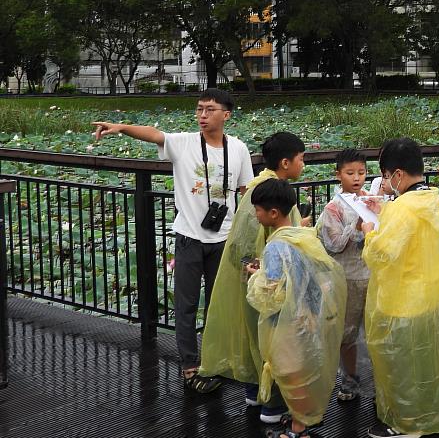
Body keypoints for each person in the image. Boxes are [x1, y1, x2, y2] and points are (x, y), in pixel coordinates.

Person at [91, 88, 253, 393]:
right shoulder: (184, 143)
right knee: (187, 306)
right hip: (190, 237)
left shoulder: (239, 149)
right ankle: (191, 368)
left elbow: (245, 192)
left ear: (226, 115)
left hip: (225, 238)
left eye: (210, 110)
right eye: (199, 109)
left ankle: (218, 361)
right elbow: (154, 135)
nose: (202, 115)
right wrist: (122, 128)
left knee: (221, 305)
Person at [361, 138, 439, 438]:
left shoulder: (402, 208)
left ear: (397, 174)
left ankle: (406, 425)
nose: (384, 182)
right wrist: (383, 215)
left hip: (403, 300)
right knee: (426, 364)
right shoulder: (434, 200)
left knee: (403, 367)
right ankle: (427, 414)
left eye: (385, 175)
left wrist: (370, 232)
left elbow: (381, 254)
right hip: (432, 295)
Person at [199, 131, 305, 423]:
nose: (303, 165)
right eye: (301, 159)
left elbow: (241, 242)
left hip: (253, 282)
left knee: (253, 339)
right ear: (286, 162)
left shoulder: (258, 188)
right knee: (271, 343)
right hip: (267, 285)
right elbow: (252, 243)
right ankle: (272, 407)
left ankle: (254, 395)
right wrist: (260, 273)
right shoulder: (270, 190)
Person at [245, 179, 346, 438]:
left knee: (291, 374)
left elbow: (273, 292)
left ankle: (299, 428)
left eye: (257, 210)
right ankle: (302, 419)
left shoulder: (277, 246)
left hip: (287, 322)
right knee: (302, 368)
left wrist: (254, 276)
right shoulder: (305, 236)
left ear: (273, 213)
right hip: (307, 315)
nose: (255, 214)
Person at [315, 148, 370, 401]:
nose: (357, 178)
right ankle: (349, 379)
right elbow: (333, 244)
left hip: (372, 274)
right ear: (338, 175)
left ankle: (381, 383)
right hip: (346, 277)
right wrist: (356, 226)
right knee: (346, 332)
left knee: (375, 330)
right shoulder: (333, 208)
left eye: (361, 172)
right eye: (350, 173)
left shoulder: (373, 200)